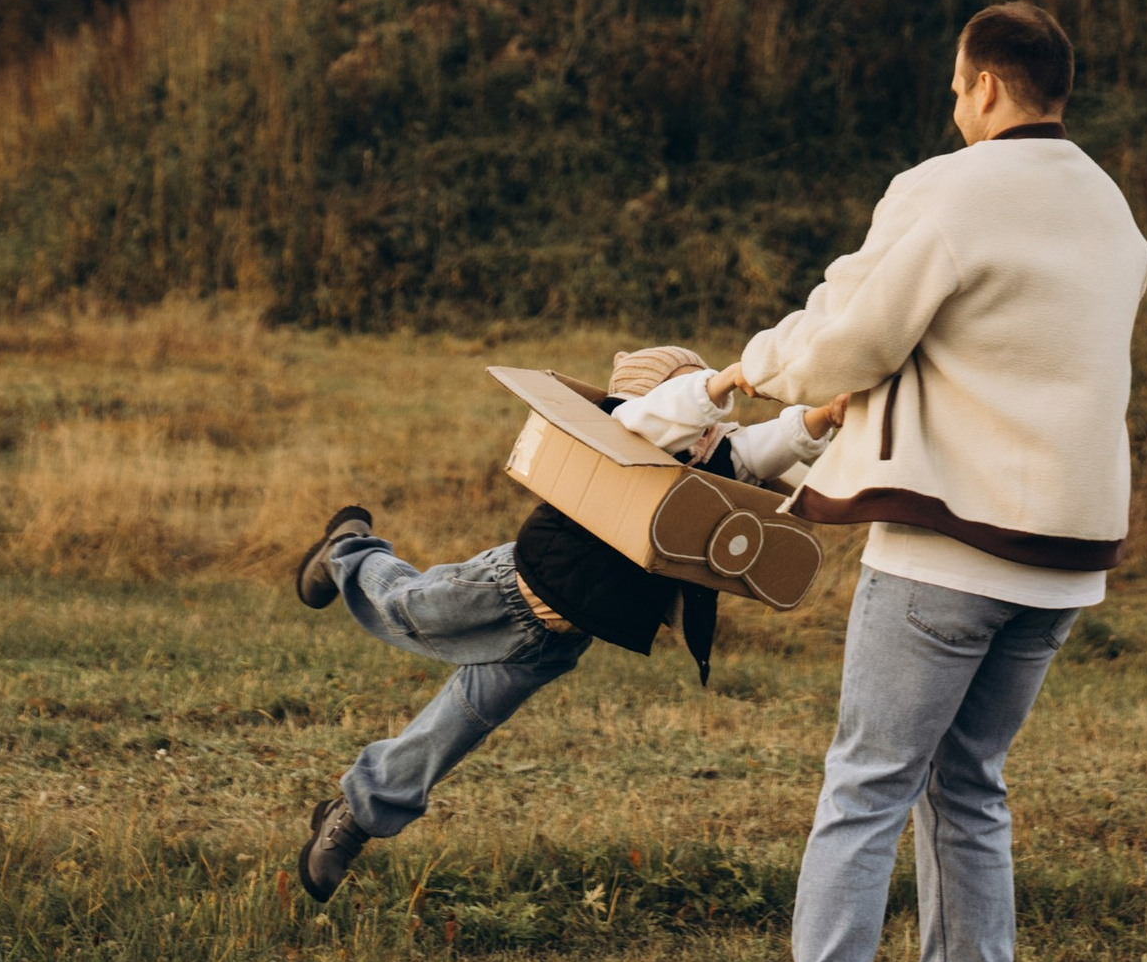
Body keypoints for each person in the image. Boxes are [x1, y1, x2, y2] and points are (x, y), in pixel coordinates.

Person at [711, 0, 1147, 962]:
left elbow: (856, 335)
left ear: (988, 86)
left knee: (865, 785)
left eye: (958, 89)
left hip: (949, 545)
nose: (953, 109)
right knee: (967, 787)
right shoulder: (1110, 208)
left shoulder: (947, 189)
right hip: (1062, 559)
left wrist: (752, 368)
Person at [287, 349, 836, 903]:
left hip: (556, 639)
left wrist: (824, 417)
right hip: (508, 589)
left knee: (452, 731)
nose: (710, 409)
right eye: (693, 390)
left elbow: (771, 445)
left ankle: (356, 813)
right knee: (408, 605)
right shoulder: (629, 428)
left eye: (711, 395)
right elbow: (659, 415)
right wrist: (723, 380)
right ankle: (350, 550)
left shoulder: (718, 460)